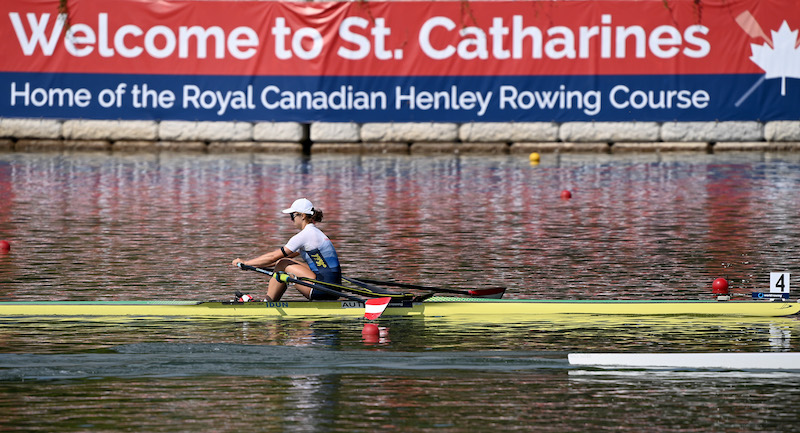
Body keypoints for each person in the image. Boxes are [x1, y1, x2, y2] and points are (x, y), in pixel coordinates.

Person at [232, 198, 341, 302]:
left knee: (283, 263)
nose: (292, 219)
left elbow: (273, 257)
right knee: (283, 262)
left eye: (292, 216)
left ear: (302, 216)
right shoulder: (315, 233)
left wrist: (245, 262)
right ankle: (269, 301)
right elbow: (276, 261)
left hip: (322, 290)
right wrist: (251, 266)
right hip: (334, 289)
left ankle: (267, 302)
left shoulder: (305, 235)